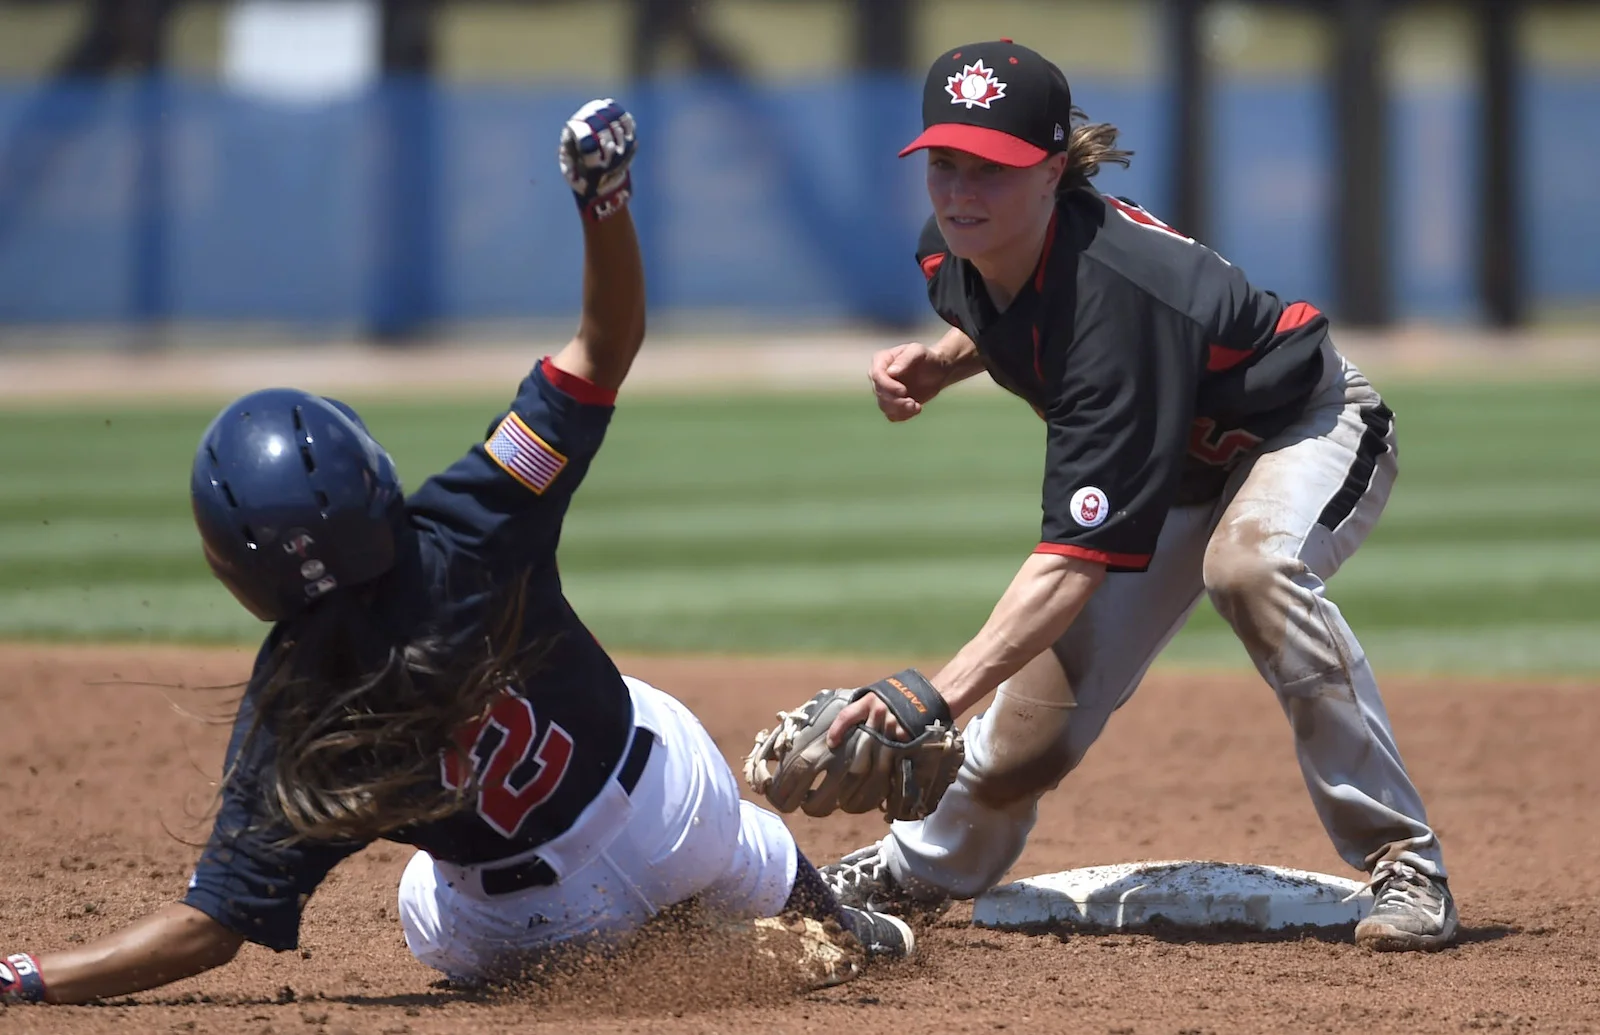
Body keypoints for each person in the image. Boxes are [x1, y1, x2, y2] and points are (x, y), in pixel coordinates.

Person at [0, 98, 911, 1008]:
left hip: (527, 934)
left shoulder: (290, 710)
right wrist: (606, 201)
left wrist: (25, 974)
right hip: (675, 824)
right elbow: (605, 345)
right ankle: (831, 923)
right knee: (670, 747)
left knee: (419, 899)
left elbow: (209, 928)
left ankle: (629, 970)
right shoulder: (476, 517)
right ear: (368, 479)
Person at [814, 40, 1457, 952]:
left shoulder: (1118, 301)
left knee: (1250, 567)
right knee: (1029, 735)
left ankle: (1410, 866)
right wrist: (948, 361)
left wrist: (938, 696)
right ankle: (922, 863)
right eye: (945, 163)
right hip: (1174, 466)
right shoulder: (953, 253)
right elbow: (1012, 316)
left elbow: (1073, 562)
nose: (961, 192)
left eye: (991, 169)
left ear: (1050, 171)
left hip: (1299, 426)